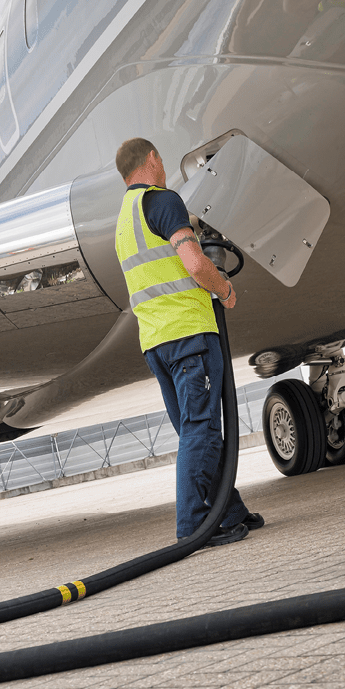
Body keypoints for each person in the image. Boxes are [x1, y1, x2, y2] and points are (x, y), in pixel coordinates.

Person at [114, 137, 263, 547]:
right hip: (188, 335)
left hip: (157, 342)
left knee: (196, 430)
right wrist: (225, 290)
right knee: (202, 429)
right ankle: (193, 526)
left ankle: (227, 511)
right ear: (153, 159)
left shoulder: (124, 221)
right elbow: (196, 264)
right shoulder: (163, 201)